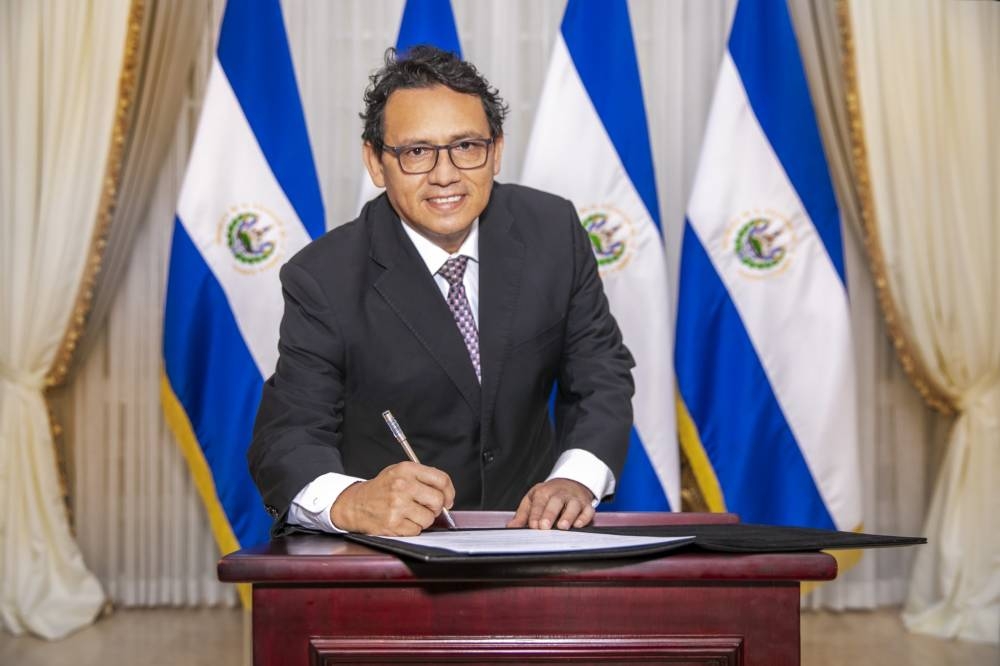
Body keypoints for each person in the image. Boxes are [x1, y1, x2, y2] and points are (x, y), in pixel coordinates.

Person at [248, 45, 634, 537]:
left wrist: (576, 479)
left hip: (531, 542)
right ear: (376, 162)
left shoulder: (553, 231)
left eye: (466, 146)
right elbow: (287, 437)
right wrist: (351, 502)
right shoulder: (323, 277)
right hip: (388, 555)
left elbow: (601, 376)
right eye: (416, 152)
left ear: (496, 151)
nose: (445, 174)